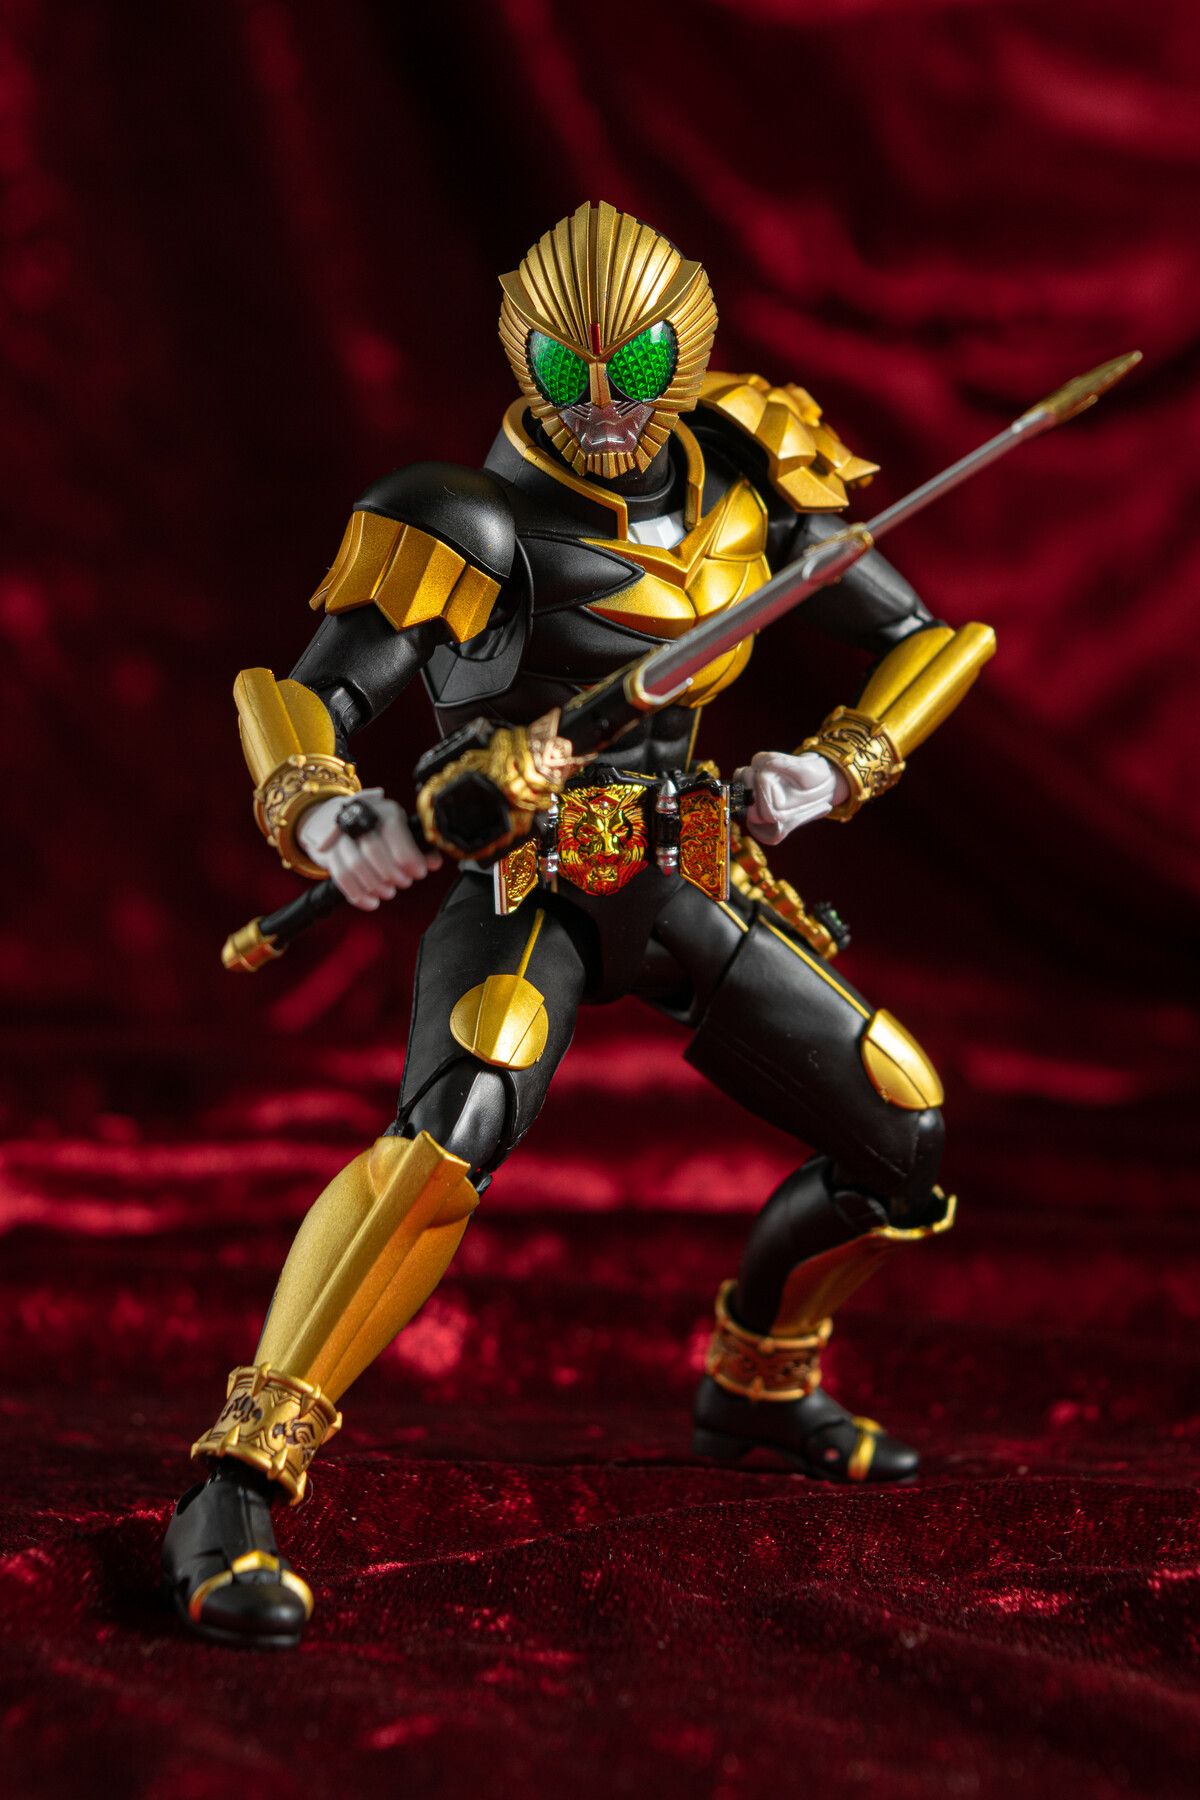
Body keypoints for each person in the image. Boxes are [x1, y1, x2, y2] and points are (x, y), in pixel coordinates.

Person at [162, 200, 993, 1648]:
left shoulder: (756, 469)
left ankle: (760, 1380)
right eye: (566, 370)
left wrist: (837, 764)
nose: (602, 404)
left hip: (687, 872)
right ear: (521, 355)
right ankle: (237, 1477)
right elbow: (297, 694)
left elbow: (932, 639)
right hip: (525, 883)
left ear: (693, 347)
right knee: (454, 1127)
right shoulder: (465, 521)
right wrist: (325, 812)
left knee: (902, 1133)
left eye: (637, 365)